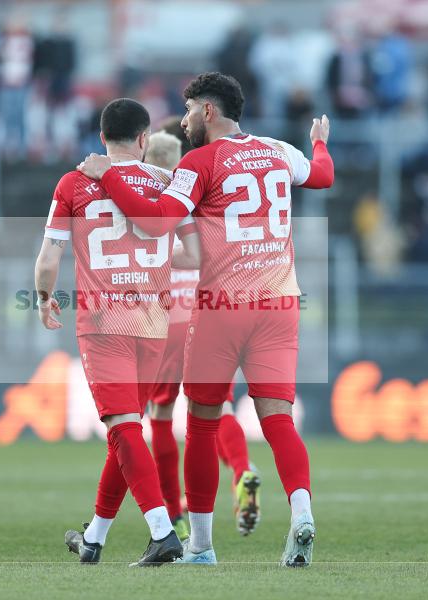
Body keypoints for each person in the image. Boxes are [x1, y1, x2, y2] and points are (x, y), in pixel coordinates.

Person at [78, 72, 334, 566]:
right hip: (280, 304)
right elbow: (322, 176)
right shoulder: (278, 150)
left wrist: (107, 176)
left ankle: (200, 546)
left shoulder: (199, 161)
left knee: (200, 423)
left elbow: (155, 221)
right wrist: (319, 143)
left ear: (209, 111)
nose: (185, 119)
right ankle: (302, 513)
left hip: (222, 307)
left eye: (190, 109)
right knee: (278, 419)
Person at [36, 98, 196, 566]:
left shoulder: (73, 183)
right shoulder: (165, 183)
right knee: (125, 431)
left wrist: (44, 298)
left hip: (104, 322)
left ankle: (163, 532)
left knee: (123, 428)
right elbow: (194, 255)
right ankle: (94, 538)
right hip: (154, 324)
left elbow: (48, 259)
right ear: (145, 138)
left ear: (102, 137)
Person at [143, 130, 262, 539]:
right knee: (217, 410)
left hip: (165, 321)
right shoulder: (202, 199)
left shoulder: (144, 207)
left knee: (160, 416)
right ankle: (242, 470)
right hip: (206, 314)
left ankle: (174, 512)